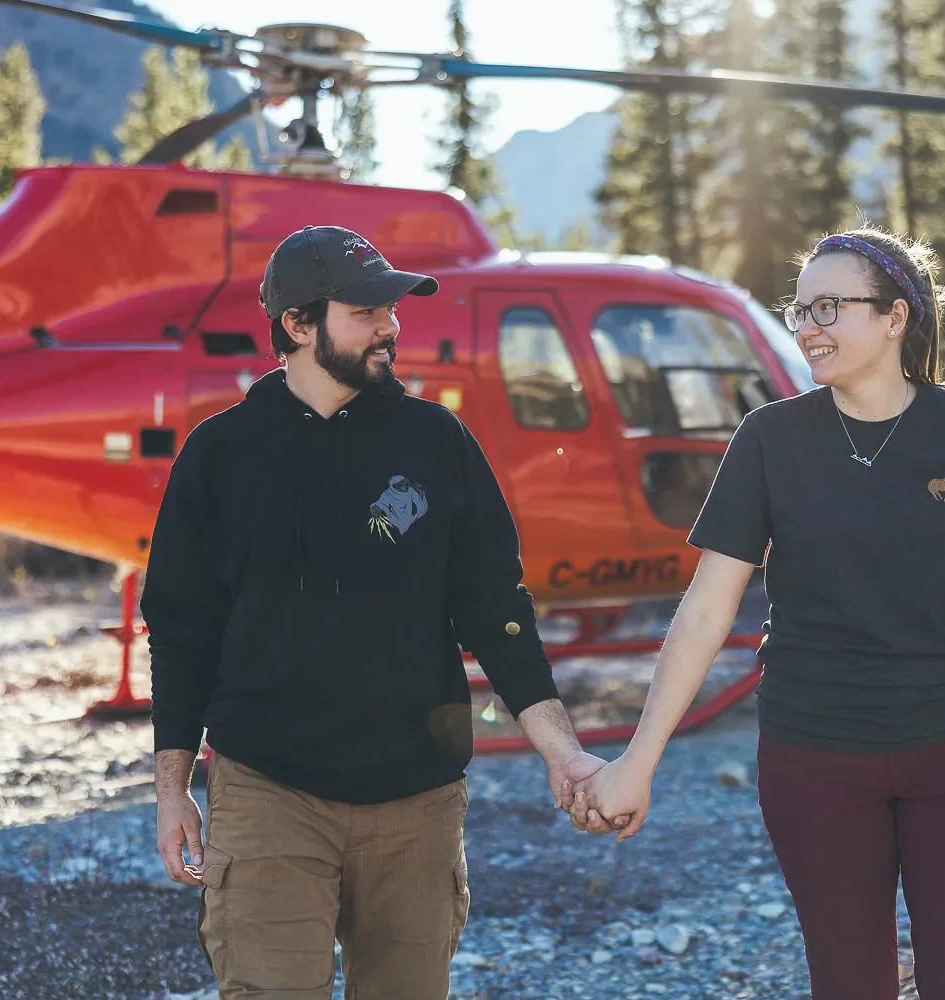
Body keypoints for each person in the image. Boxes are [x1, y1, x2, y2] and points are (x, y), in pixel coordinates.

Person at [574, 227, 945, 999]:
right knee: (849, 982)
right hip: (815, 763)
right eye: (799, 310)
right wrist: (639, 759)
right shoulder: (770, 438)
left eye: (829, 306)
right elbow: (705, 609)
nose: (807, 327)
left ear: (896, 318)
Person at [142, 225, 608, 1000]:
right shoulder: (219, 455)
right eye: (364, 312)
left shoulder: (438, 442)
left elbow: (497, 611)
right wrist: (171, 789)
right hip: (268, 792)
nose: (390, 326)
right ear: (297, 325)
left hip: (417, 801)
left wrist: (562, 753)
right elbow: (183, 631)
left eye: (391, 309)